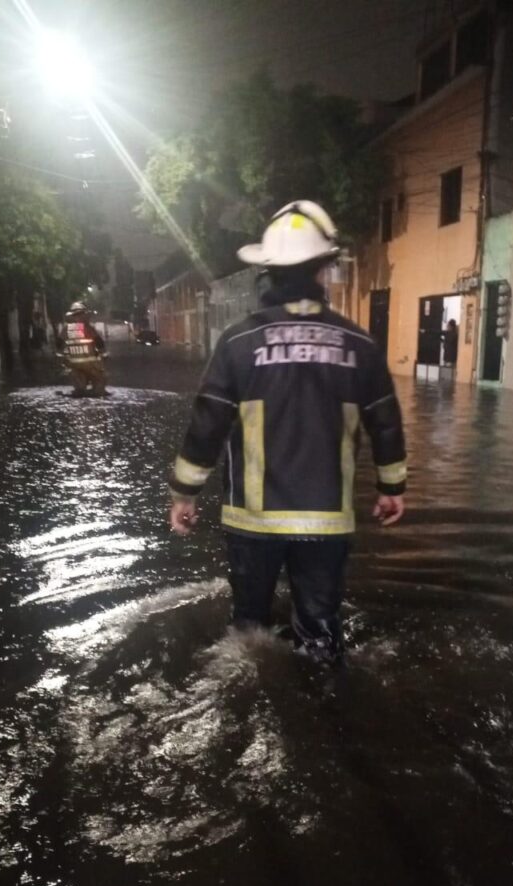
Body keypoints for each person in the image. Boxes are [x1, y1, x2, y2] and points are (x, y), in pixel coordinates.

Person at [169, 200, 407, 664]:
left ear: (267, 271)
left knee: (248, 631)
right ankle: (325, 717)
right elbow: (386, 419)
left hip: (252, 522)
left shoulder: (237, 343)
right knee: (320, 636)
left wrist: (184, 493)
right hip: (326, 521)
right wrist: (391, 487)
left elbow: (208, 423)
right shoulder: (360, 345)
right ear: (323, 268)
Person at [57, 301, 107, 397]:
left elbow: (59, 345)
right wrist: (103, 355)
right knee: (100, 383)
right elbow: (100, 344)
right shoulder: (88, 328)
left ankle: (80, 388)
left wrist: (63, 358)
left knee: (79, 390)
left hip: (74, 365)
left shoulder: (66, 329)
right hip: (91, 365)